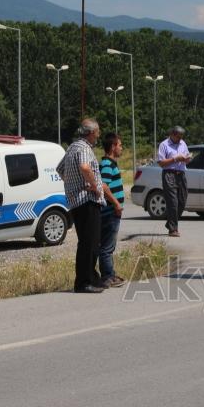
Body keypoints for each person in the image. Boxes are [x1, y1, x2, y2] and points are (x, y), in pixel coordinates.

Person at [56, 118, 106, 294]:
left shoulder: (72, 147)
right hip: (86, 201)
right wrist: (92, 185)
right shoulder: (84, 148)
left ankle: (92, 277)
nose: (98, 135)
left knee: (90, 241)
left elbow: (60, 169)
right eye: (97, 131)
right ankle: (83, 282)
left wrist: (72, 186)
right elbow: (85, 168)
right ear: (91, 133)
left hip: (77, 201)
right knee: (89, 242)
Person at [98, 132, 126, 287]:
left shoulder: (110, 164)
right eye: (120, 145)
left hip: (111, 211)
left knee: (107, 246)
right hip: (110, 212)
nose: (121, 148)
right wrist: (116, 203)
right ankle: (108, 276)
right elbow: (103, 185)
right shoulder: (107, 165)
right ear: (113, 146)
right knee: (107, 247)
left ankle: (109, 274)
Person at [157, 126, 191, 237]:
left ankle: (170, 223)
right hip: (169, 174)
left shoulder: (183, 143)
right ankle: (173, 229)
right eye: (178, 137)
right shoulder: (164, 145)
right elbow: (161, 163)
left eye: (181, 137)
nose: (180, 139)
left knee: (182, 200)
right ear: (172, 134)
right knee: (173, 202)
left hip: (181, 174)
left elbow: (186, 156)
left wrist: (187, 159)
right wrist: (175, 159)